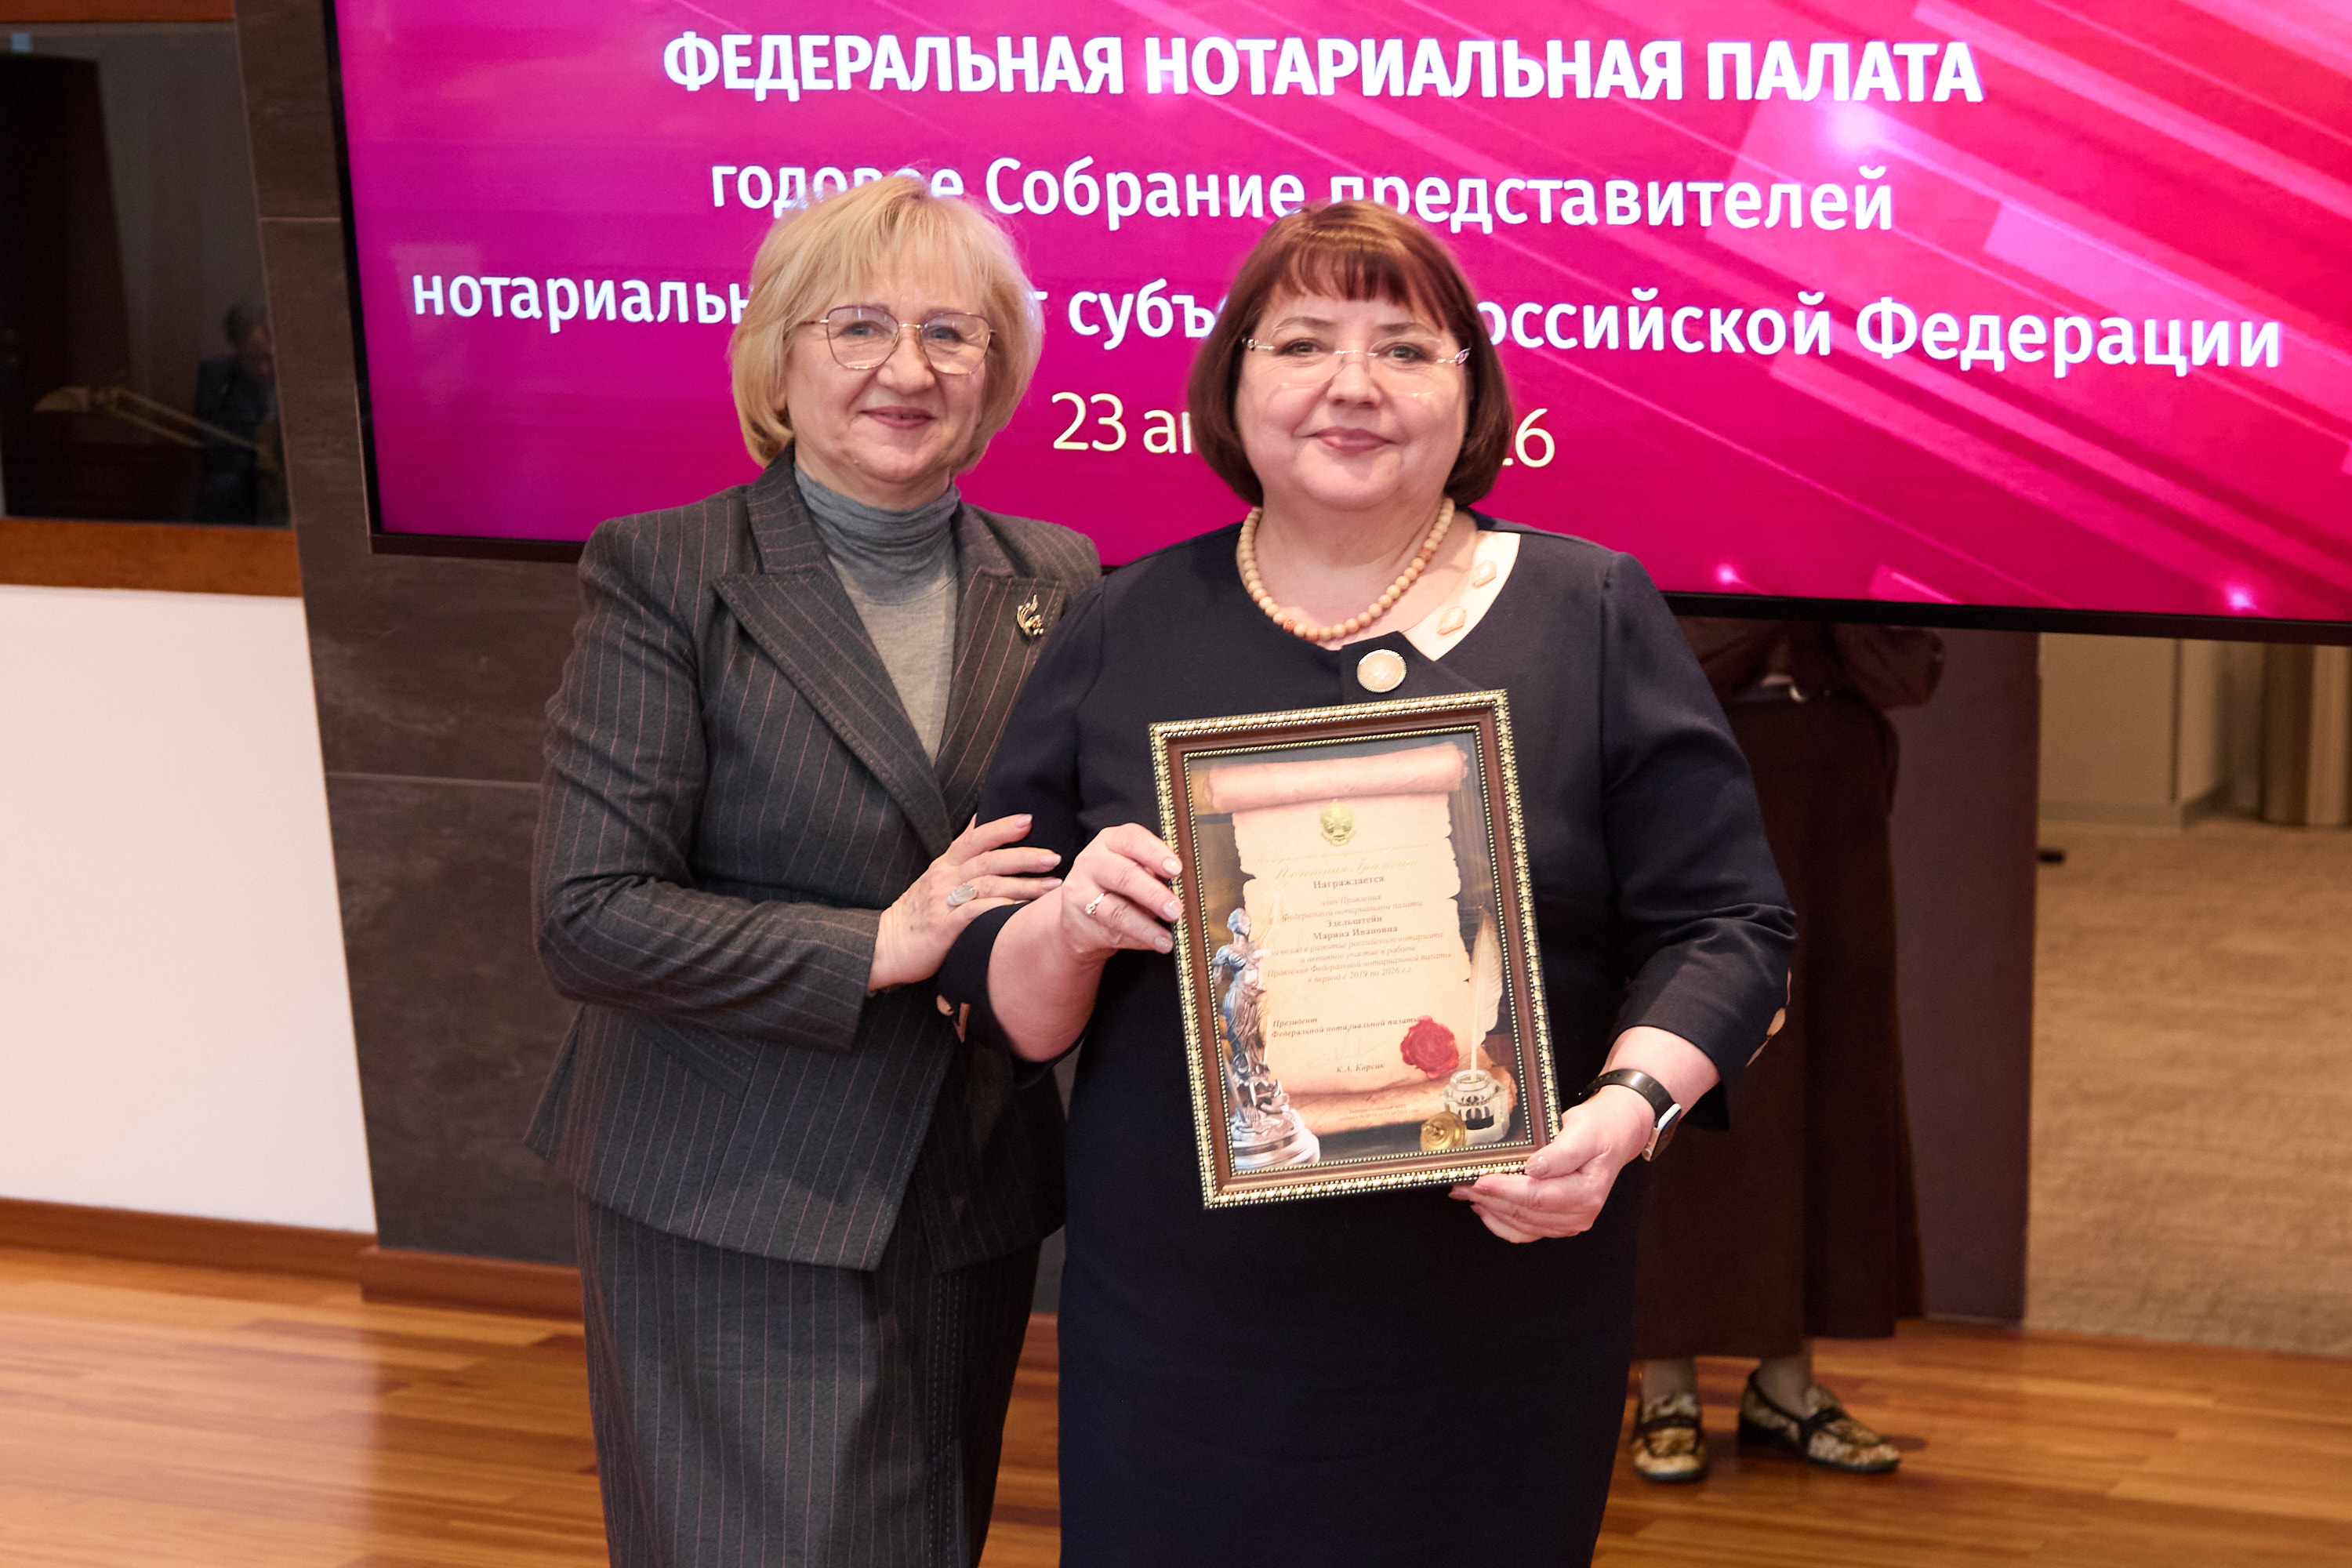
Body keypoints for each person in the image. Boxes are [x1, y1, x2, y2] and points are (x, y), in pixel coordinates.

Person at [935, 202, 1795, 1565]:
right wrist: (1069, 923)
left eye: (1403, 348)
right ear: (1234, 382)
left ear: (1471, 390)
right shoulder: (1121, 623)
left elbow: (1730, 928)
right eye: (1302, 344)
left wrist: (1629, 1113)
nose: (1351, 384)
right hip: (1185, 1329)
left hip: (1496, 1302)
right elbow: (1006, 1002)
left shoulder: (1585, 613)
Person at [527, 176, 1097, 1568]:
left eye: (951, 334)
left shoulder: (1062, 578)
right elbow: (589, 916)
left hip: (968, 1184)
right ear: (778, 358)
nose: (908, 368)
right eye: (859, 327)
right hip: (732, 1182)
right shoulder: (667, 571)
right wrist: (877, 945)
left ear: (996, 371)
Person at [1627, 619, 1943, 1482]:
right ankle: (1665, 1381)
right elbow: (1647, 655)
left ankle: (1787, 1382)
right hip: (1687, 764)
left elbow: (1909, 668)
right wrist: (1778, 594)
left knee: (1830, 1068)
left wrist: (1827, 591)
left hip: (1829, 767)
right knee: (1682, 1043)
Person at [192, 301, 284, 523]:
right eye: (252, 359)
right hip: (240, 497)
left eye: (269, 358)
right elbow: (214, 446)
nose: (263, 369)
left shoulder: (302, 380)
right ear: (236, 349)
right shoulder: (217, 380)